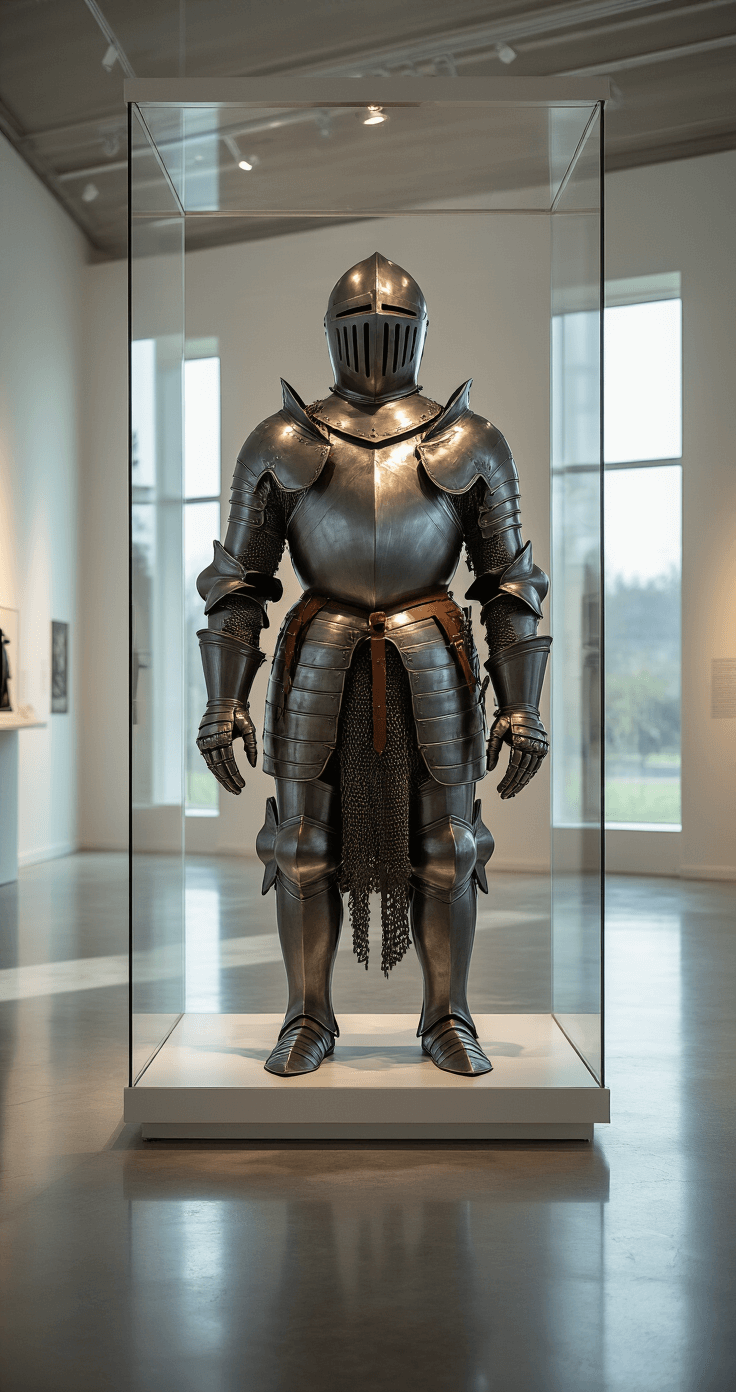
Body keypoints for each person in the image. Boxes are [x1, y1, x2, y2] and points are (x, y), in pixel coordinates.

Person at [196, 253, 550, 1078]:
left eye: (394, 326)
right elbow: (238, 583)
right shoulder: (283, 440)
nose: (377, 338)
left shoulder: (469, 441)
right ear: (332, 333)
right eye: (362, 325)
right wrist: (224, 699)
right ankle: (307, 1015)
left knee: (449, 849)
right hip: (320, 650)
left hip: (432, 653)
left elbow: (509, 583)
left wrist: (521, 705)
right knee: (300, 847)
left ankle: (447, 1015)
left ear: (420, 332)